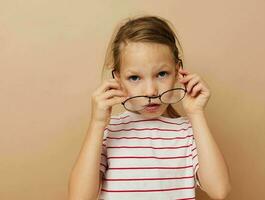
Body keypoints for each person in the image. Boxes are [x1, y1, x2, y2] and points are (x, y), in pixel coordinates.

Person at [68, 15, 231, 200]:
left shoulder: (188, 132)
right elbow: (79, 197)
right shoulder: (109, 130)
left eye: (161, 74)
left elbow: (220, 190)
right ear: (118, 78)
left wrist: (196, 113)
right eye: (135, 78)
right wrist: (97, 124)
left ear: (177, 72)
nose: (151, 91)